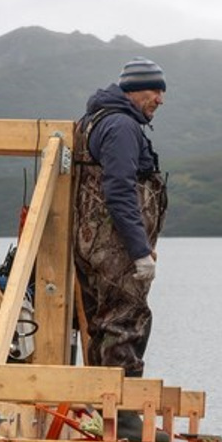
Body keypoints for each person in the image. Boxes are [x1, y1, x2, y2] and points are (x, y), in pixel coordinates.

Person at [73, 57, 169, 388]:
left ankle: (103, 410)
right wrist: (140, 251)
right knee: (125, 322)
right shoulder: (121, 127)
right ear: (133, 89)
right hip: (114, 248)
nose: (161, 98)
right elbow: (119, 191)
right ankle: (123, 416)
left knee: (103, 324)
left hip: (93, 241)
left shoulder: (93, 121)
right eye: (155, 90)